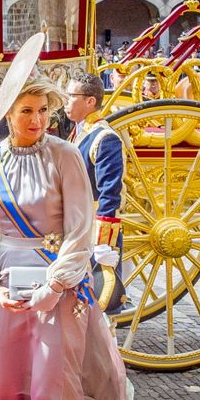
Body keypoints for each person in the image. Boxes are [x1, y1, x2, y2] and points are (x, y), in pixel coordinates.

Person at [0, 33, 130, 400]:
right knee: (7, 392)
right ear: (8, 114)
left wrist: (55, 285)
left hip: (61, 288)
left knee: (49, 396)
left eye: (43, 110)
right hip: (8, 288)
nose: (38, 119)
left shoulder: (66, 155)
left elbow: (80, 229)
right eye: (27, 111)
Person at [64, 72, 125, 315]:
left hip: (94, 230)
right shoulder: (80, 131)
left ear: (90, 102)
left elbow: (110, 194)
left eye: (71, 96)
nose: (66, 102)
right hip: (77, 222)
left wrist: (104, 243)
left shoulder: (105, 137)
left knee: (99, 303)